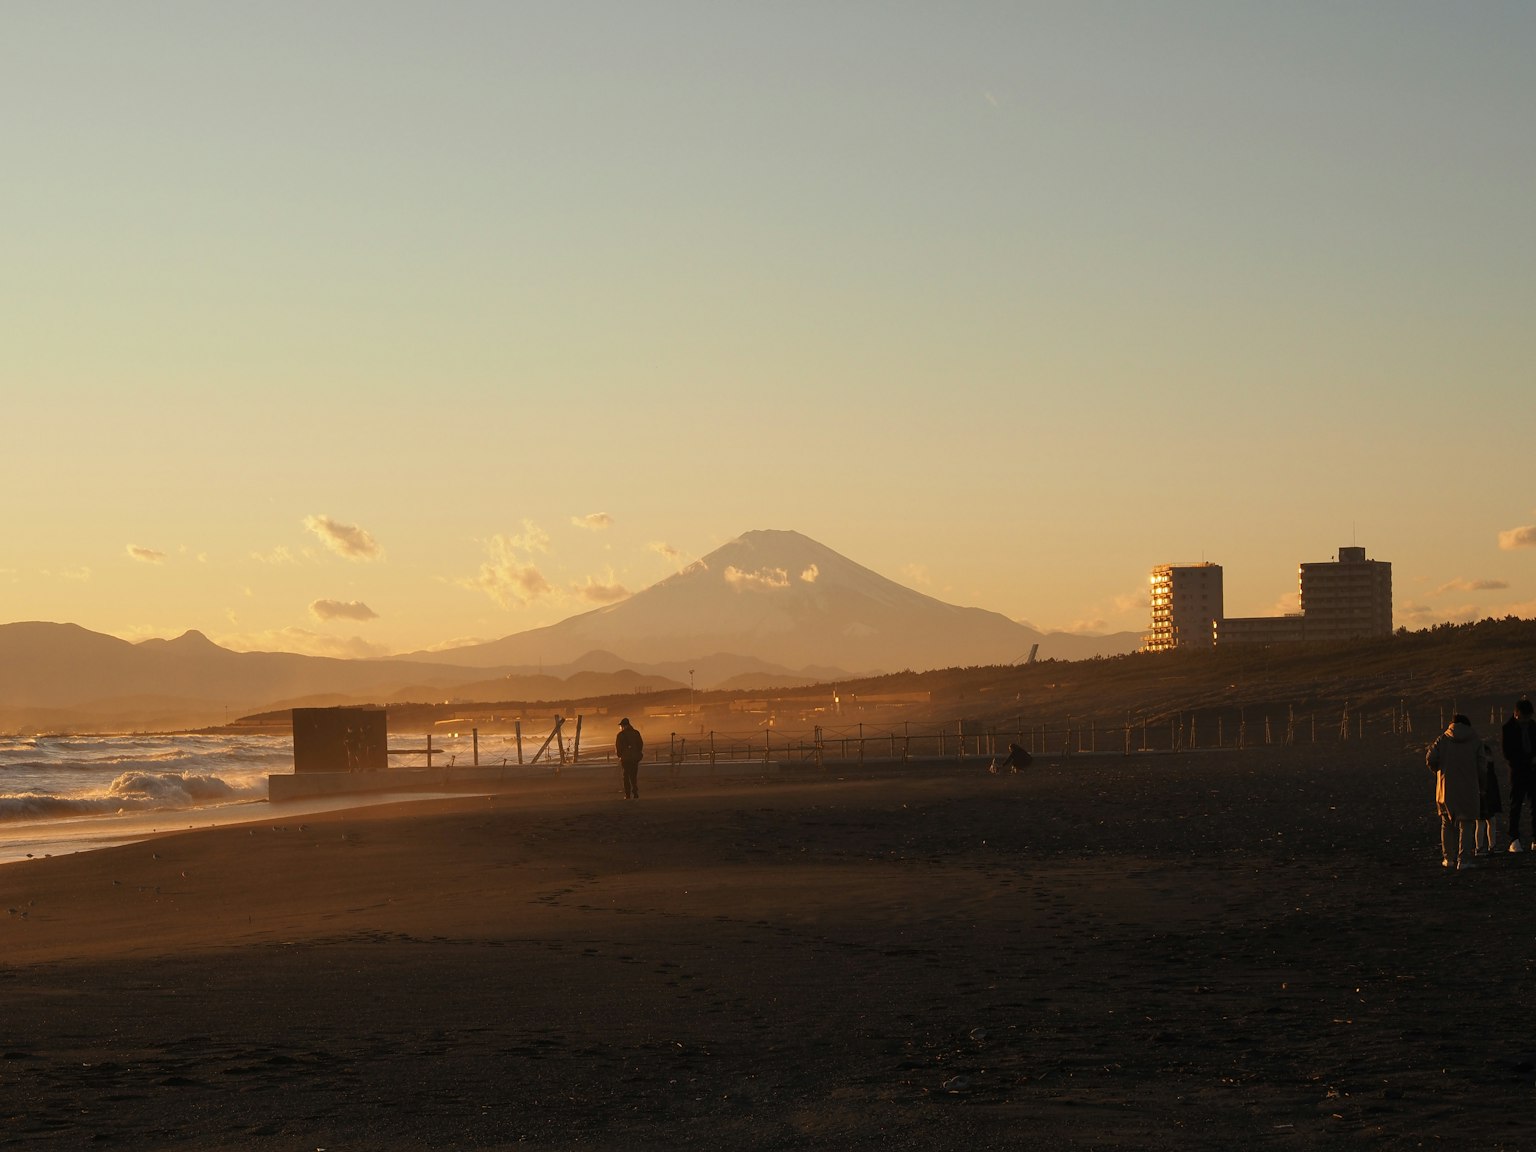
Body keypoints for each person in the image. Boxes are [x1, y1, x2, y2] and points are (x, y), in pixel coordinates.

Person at [1427, 714, 1491, 870]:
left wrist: (1438, 772)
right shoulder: (1475, 740)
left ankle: (1448, 858)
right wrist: (1482, 785)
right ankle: (1464, 860)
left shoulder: (1443, 739)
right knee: (1467, 824)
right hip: (1469, 788)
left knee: (1447, 824)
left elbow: (1430, 758)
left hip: (1446, 788)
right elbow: (1482, 767)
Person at [1502, 698, 1536, 852]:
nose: (1526, 720)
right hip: (1518, 772)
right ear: (1516, 714)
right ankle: (1514, 838)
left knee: (1534, 806)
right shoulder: (1508, 729)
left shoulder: (1533, 726)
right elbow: (1508, 753)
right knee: (1516, 805)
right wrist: (1527, 760)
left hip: (1532, 771)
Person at [616, 717, 644, 800]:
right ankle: (635, 792)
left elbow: (618, 747)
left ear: (623, 726)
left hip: (625, 759)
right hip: (635, 758)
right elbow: (640, 744)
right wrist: (637, 753)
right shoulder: (636, 733)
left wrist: (620, 755)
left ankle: (627, 794)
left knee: (626, 776)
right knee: (633, 776)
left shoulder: (620, 735)